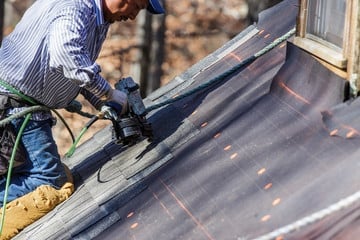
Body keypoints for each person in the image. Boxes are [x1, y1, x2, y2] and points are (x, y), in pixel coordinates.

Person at [0, 0, 165, 205]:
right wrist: (108, 93)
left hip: (17, 104)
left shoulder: (97, 18)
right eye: (137, 6)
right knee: (50, 181)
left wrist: (103, 101)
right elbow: (66, 55)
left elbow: (77, 66)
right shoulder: (76, 8)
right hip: (14, 106)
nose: (133, 16)